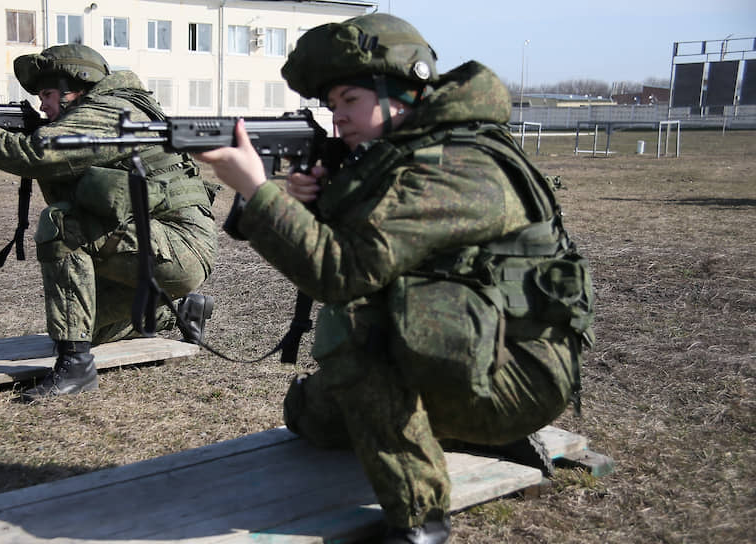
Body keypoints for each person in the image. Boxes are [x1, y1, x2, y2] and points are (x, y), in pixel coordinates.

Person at [195, 13, 593, 544]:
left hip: (516, 374)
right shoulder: (401, 156)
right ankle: (460, 429)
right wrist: (292, 199)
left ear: (401, 92)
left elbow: (341, 274)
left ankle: (419, 521)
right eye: (331, 105)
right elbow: (356, 249)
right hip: (470, 348)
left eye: (349, 100)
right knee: (311, 417)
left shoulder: (454, 164)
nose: (338, 118)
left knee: (352, 324)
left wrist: (258, 190)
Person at [0, 44, 218, 401]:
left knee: (62, 224)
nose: (42, 105)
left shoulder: (108, 110)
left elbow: (36, 155)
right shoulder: (114, 107)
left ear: (76, 88)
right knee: (79, 325)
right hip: (162, 249)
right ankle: (179, 312)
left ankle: (76, 368)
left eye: (46, 94)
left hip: (176, 248)